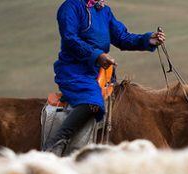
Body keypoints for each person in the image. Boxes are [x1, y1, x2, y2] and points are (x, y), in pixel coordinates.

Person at [44, 0, 167, 155]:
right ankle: (56, 142)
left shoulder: (104, 10)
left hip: (101, 73)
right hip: (75, 71)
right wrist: (96, 55)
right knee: (92, 101)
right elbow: (69, 39)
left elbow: (122, 37)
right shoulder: (70, 7)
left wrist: (147, 40)